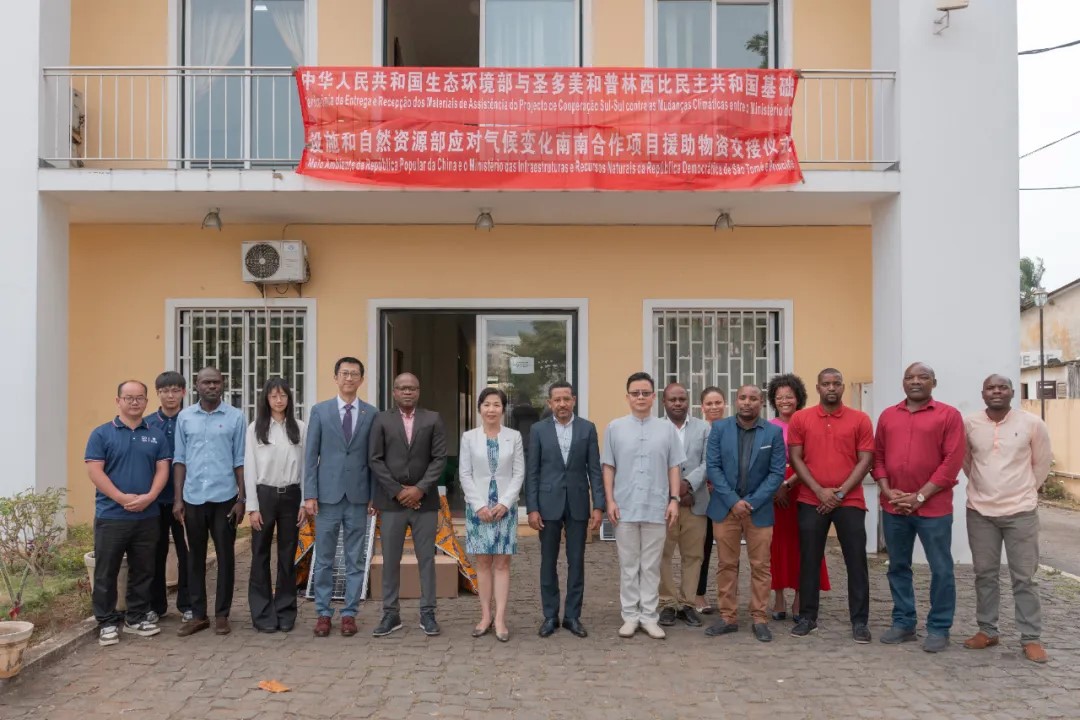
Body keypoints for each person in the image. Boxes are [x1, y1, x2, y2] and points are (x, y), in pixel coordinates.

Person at [874, 363, 965, 653]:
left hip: (934, 509)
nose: (915, 382)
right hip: (894, 507)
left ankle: (939, 627)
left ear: (933, 383)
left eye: (923, 377)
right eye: (910, 377)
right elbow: (878, 457)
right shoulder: (888, 416)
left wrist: (920, 497)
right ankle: (904, 622)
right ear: (903, 383)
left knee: (941, 568)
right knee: (898, 566)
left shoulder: (949, 415)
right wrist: (887, 490)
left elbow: (951, 462)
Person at [962, 374, 1053, 664]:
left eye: (1003, 387)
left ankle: (1031, 638)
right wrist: (984, 488)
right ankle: (987, 630)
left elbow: (1042, 463)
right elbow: (966, 462)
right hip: (980, 512)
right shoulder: (970, 424)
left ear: (1013, 392)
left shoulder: (1032, 423)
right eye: (991, 387)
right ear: (983, 393)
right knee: (984, 574)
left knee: (1024, 578)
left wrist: (1023, 491)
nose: (997, 391)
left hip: (1021, 513)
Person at [788, 368, 874, 643]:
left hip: (850, 500)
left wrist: (839, 493)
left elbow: (865, 460)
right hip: (811, 499)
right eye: (826, 384)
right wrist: (819, 490)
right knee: (809, 559)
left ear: (842, 387)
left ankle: (859, 621)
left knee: (856, 561)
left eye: (836, 383)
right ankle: (807, 617)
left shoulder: (860, 419)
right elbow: (796, 458)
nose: (832, 388)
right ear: (818, 388)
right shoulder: (801, 418)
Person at [85, 380, 171, 646]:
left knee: (144, 570)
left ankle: (136, 617)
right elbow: (95, 471)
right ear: (118, 401)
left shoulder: (155, 434)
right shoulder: (102, 434)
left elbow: (163, 469)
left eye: (140, 398)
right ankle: (106, 622)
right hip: (112, 515)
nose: (135, 402)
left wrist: (150, 496)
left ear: (146, 401)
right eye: (129, 398)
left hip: (147, 515)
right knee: (106, 571)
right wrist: (121, 498)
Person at [602, 372, 684, 640]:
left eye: (645, 393)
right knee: (628, 564)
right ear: (627, 397)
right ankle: (629, 615)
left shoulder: (666, 429)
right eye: (635, 393)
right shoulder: (614, 428)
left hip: (656, 506)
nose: (640, 397)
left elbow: (674, 466)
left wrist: (674, 499)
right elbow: (608, 466)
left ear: (653, 397)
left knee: (650, 565)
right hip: (624, 506)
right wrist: (610, 500)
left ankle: (649, 616)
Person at [703, 385, 786, 642]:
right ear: (736, 401)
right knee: (726, 564)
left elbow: (776, 473)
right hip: (725, 508)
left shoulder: (772, 432)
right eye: (742, 398)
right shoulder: (719, 429)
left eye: (753, 398)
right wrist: (733, 501)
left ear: (762, 402)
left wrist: (750, 502)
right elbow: (713, 467)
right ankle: (728, 617)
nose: (747, 402)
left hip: (758, 510)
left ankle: (759, 618)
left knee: (761, 565)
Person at [369, 372, 447, 638]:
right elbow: (375, 459)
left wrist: (419, 489)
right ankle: (391, 614)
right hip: (392, 502)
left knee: (427, 559)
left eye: (412, 388)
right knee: (390, 559)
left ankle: (428, 613)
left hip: (424, 502)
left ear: (418, 391)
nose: (407, 392)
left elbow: (439, 458)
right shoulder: (381, 420)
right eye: (402, 388)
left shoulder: (433, 419)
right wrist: (398, 491)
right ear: (394, 392)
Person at [525, 380, 604, 639]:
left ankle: (572, 616)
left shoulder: (587, 428)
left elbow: (594, 470)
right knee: (548, 562)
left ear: (574, 401)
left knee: (576, 561)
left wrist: (599, 506)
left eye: (566, 399)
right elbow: (532, 472)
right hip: (547, 504)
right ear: (550, 403)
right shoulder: (538, 430)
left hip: (578, 503)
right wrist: (532, 508)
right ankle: (550, 616)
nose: (562, 404)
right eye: (557, 400)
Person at [305, 357, 377, 638]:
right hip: (327, 496)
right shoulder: (320, 411)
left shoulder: (371, 413)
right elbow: (311, 456)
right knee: (324, 559)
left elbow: (374, 458)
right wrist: (310, 494)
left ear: (361, 379)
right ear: (335, 377)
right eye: (344, 373)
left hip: (358, 496)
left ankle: (349, 613)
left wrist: (374, 494)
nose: (349, 378)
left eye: (354, 374)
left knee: (355, 559)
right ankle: (323, 612)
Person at [172, 367, 246, 637]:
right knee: (194, 558)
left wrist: (242, 498)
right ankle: (198, 614)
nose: (211, 386)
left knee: (226, 557)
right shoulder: (185, 417)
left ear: (222, 384)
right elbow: (179, 460)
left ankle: (222, 615)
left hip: (225, 498)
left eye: (216, 382)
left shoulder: (236, 417)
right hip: (193, 498)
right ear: (196, 385)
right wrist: (178, 499)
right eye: (206, 382)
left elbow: (240, 460)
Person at [460, 387, 525, 641]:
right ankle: (485, 615)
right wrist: (478, 505)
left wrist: (506, 503)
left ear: (503, 409)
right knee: (483, 562)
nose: (491, 409)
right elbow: (465, 474)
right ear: (479, 408)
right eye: (487, 404)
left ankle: (500, 619)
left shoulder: (514, 437)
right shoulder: (469, 437)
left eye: (496, 405)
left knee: (502, 563)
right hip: (478, 508)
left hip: (504, 509)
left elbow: (518, 473)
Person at [244, 378, 306, 633]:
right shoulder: (255, 428)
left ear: (289, 398)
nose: (279, 400)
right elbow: (250, 467)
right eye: (273, 396)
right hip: (264, 495)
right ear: (266, 399)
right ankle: (262, 613)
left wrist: (304, 502)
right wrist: (252, 506)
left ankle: (285, 610)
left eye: (283, 395)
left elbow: (305, 467)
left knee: (287, 554)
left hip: (291, 495)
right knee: (260, 554)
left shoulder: (300, 428)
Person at [767, 374, 829, 622]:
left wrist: (789, 484)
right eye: (779, 397)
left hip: (804, 487)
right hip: (774, 491)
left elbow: (813, 459)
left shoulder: (809, 422)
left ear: (798, 398)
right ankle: (778, 597)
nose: (784, 401)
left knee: (805, 543)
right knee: (776, 544)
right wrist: (775, 488)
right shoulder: (768, 426)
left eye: (789, 396)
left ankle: (800, 597)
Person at [657, 383, 711, 628]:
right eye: (673, 399)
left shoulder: (704, 428)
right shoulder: (655, 428)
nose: (678, 403)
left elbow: (708, 461)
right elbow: (653, 464)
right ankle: (667, 603)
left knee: (694, 555)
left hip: (695, 502)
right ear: (664, 402)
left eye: (682, 399)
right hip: (664, 504)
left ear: (688, 401)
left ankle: (688, 603)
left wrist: (688, 485)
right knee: (663, 555)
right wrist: (673, 493)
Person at [144, 370, 192, 624]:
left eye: (175, 390)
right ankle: (156, 606)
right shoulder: (147, 424)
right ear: (158, 393)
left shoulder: (192, 420)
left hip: (187, 500)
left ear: (184, 392)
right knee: (155, 553)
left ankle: (188, 605)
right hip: (155, 500)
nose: (170, 395)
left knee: (188, 554)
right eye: (165, 391)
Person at [694, 386, 726, 614]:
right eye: (709, 403)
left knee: (728, 551)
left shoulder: (732, 428)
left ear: (725, 404)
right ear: (702, 407)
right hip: (702, 496)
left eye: (718, 402)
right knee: (701, 549)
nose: (714, 407)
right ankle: (698, 594)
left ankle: (727, 596)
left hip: (727, 497)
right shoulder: (698, 430)